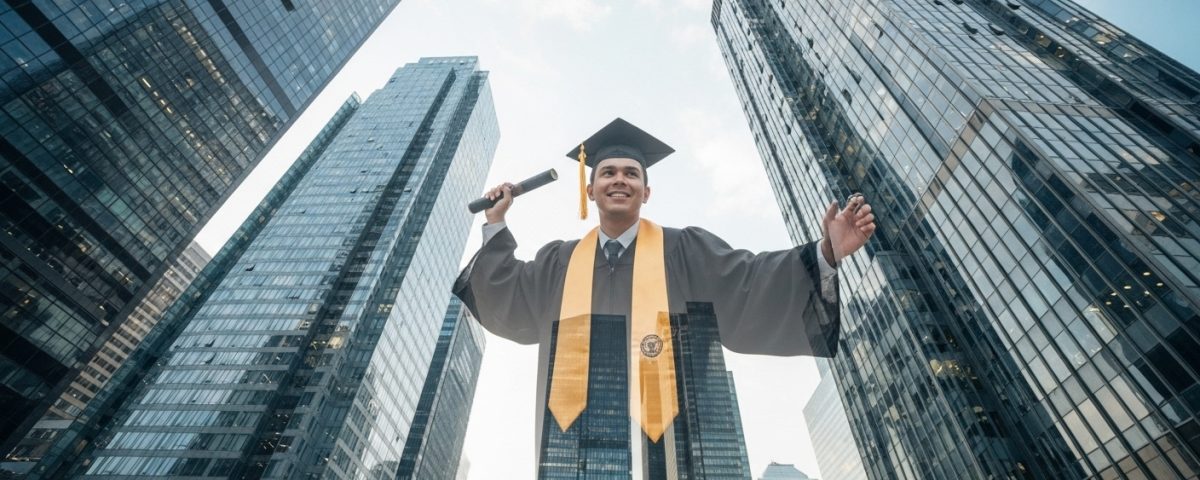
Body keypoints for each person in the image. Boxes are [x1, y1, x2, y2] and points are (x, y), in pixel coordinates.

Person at [453, 118, 875, 476]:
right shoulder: (558, 262)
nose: (620, 179)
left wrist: (826, 252)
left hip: (678, 445)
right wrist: (495, 222)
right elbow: (505, 292)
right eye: (608, 172)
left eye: (631, 173)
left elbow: (750, 281)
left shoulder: (686, 250)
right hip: (575, 451)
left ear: (646, 192)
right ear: (591, 191)